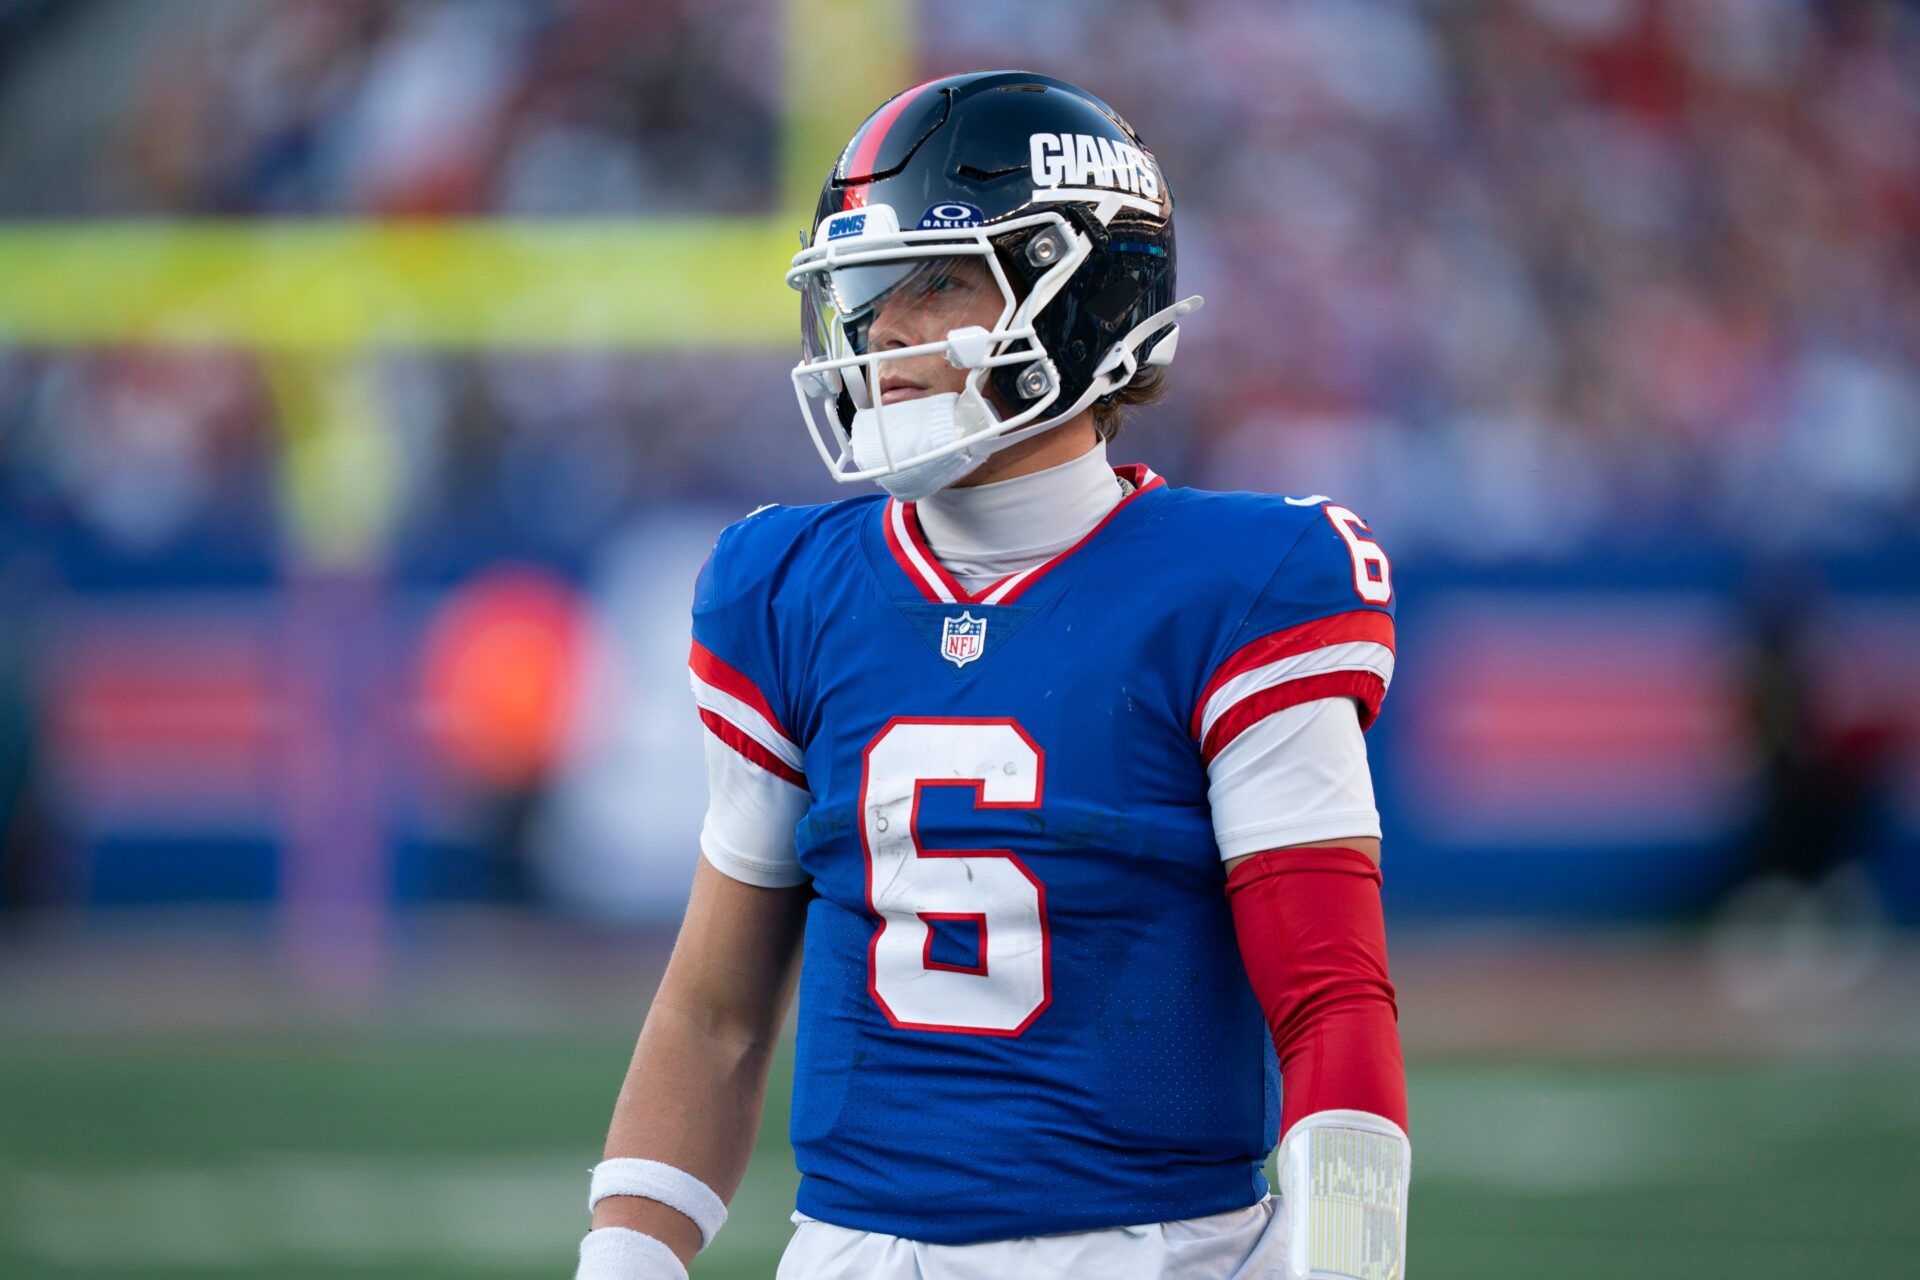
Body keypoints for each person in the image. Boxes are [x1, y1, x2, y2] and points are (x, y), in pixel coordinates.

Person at [576, 71, 1409, 1280]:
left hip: (1152, 1254)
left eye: (938, 283)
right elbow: (713, 1016)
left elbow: (1329, 998)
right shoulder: (787, 589)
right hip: (855, 1255)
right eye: (868, 293)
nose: (883, 334)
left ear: (1088, 291)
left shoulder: (1239, 584)